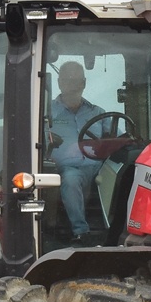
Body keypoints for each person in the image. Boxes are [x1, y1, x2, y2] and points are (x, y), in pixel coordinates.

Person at [46, 61, 106, 243]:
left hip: (101, 168)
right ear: (59, 83)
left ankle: (121, 229)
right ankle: (81, 232)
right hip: (67, 169)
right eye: (67, 80)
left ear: (84, 83)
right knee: (71, 180)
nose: (72, 85)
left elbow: (118, 138)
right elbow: (37, 142)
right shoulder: (47, 113)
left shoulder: (98, 113)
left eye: (76, 80)